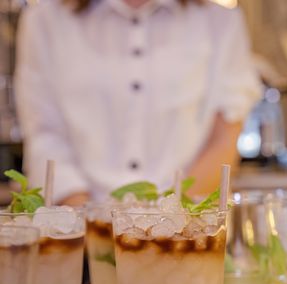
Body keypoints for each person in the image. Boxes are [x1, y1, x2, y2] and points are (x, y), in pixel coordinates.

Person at [15, 0, 261, 205]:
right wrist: (92, 226)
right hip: (84, 234)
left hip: (186, 236)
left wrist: (170, 221)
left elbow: (224, 138)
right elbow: (45, 136)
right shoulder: (44, 21)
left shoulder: (220, 22)